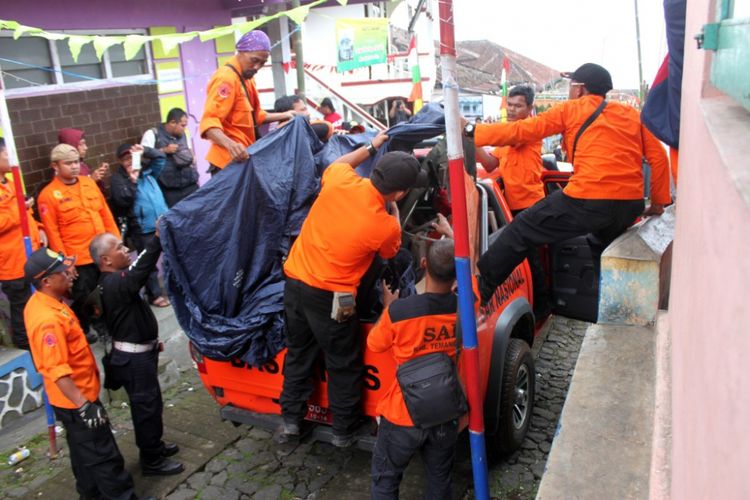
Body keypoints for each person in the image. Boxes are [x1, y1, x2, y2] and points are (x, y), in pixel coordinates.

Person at [466, 63, 671, 304]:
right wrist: (658, 203)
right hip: (630, 204)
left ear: (580, 89)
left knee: (521, 230)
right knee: (602, 248)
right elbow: (659, 159)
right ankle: (613, 306)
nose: (568, 92)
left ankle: (479, 289)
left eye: (570, 86)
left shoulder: (572, 109)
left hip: (588, 199)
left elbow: (522, 131)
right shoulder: (632, 115)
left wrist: (471, 131)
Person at [277, 132, 429, 447]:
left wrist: (371, 146)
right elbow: (392, 253)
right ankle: (344, 431)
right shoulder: (383, 224)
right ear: (399, 193)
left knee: (299, 352)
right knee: (343, 360)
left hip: (295, 284)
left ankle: (291, 421)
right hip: (335, 297)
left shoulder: (339, 179)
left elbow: (340, 163)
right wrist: (393, 211)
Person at [23, 247, 136, 499]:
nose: (72, 273)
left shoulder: (47, 302)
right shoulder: (47, 319)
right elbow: (57, 370)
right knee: (104, 457)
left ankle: (91, 495)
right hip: (77, 400)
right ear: (46, 281)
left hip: (72, 398)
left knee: (83, 456)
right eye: (64, 271)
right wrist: (85, 406)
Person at [368, 239, 460, 500]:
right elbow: (471, 270)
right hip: (445, 412)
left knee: (386, 480)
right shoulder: (465, 307)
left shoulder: (399, 311)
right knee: (440, 479)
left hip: (401, 415)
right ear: (457, 274)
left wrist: (387, 306)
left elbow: (374, 344)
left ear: (422, 265)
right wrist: (452, 235)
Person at [90, 230, 184, 476]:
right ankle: (152, 460)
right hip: (133, 360)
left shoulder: (116, 281)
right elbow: (141, 270)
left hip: (140, 353)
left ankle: (156, 446)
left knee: (152, 404)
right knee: (146, 409)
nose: (125, 250)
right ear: (106, 260)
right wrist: (156, 239)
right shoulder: (114, 284)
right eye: (119, 248)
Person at [474, 84, 550, 317]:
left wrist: (472, 130)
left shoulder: (528, 131)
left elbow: (512, 139)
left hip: (532, 205)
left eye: (518, 105)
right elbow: (489, 164)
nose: (513, 109)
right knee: (523, 260)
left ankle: (541, 309)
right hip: (511, 209)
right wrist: (472, 143)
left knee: (532, 260)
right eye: (510, 104)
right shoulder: (506, 135)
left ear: (530, 108)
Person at [38, 144, 121, 342]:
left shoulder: (89, 183)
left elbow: (105, 214)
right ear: (55, 166)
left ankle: (109, 325)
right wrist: (66, 262)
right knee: (88, 297)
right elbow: (53, 232)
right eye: (68, 163)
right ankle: (102, 332)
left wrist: (116, 242)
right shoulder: (48, 195)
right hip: (79, 257)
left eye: (76, 162)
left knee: (110, 290)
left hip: (102, 251)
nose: (74, 167)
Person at [199, 30, 296, 175]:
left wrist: (285, 115)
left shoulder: (247, 78)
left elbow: (255, 117)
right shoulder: (226, 78)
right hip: (227, 162)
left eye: (262, 63)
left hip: (243, 159)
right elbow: (209, 123)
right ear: (240, 52)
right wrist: (230, 145)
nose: (257, 67)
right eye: (254, 60)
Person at [109, 144, 170, 307]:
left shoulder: (149, 171)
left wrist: (145, 151)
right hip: (142, 228)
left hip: (163, 222)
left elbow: (160, 157)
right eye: (125, 159)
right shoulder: (118, 179)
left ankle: (175, 286)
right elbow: (123, 200)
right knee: (149, 263)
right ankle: (154, 295)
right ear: (120, 161)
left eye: (131, 157)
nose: (129, 161)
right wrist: (133, 180)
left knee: (172, 256)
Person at [0, 138, 45, 349]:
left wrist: (40, 229)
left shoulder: (9, 184)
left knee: (37, 303)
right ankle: (26, 347)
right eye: (7, 153)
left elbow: (24, 218)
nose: (11, 158)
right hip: (12, 262)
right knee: (22, 308)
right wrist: (20, 208)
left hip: (30, 255)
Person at [140, 108, 199, 208]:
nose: (184, 128)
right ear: (172, 122)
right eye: (182, 125)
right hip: (170, 191)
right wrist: (164, 150)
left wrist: (192, 159)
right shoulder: (152, 134)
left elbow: (190, 152)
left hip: (190, 186)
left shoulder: (184, 134)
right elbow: (143, 160)